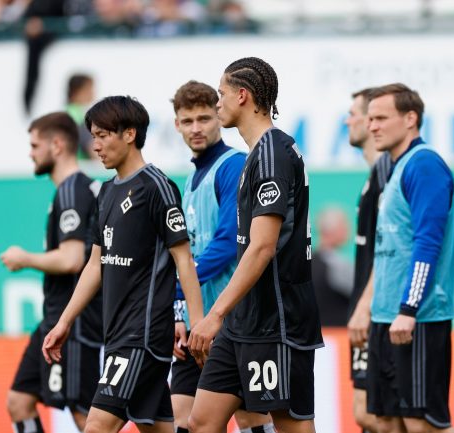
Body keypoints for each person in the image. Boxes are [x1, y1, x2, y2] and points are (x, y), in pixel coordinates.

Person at [41, 96, 204, 433]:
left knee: (96, 425)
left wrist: (197, 323)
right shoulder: (106, 193)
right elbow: (95, 265)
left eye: (102, 136)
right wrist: (64, 322)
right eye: (93, 136)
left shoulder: (157, 187)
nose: (95, 146)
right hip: (116, 335)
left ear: (129, 134)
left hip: (141, 336)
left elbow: (184, 261)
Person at [186, 57, 323, 433]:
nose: (217, 103)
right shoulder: (258, 154)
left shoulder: (271, 154)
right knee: (201, 422)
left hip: (276, 319)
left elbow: (262, 247)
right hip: (243, 319)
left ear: (242, 95)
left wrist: (214, 314)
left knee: (291, 426)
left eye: (221, 94)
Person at [169, 80, 274, 433]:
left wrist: (178, 287)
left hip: (233, 318)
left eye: (203, 118)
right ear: (176, 125)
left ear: (218, 116)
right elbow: (188, 252)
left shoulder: (233, 166)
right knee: (183, 416)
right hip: (198, 321)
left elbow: (228, 242)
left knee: (251, 418)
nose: (196, 128)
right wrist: (180, 310)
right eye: (187, 121)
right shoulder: (190, 179)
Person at [365, 83, 454, 433]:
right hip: (385, 316)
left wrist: (408, 308)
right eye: (370, 119)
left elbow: (428, 243)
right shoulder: (395, 167)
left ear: (410, 119)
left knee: (422, 425)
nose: (372, 126)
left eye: (381, 118)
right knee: (387, 422)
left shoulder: (424, 164)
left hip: (417, 317)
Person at [0, 112, 103, 433]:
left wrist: (24, 259)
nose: (30, 153)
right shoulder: (73, 189)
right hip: (54, 318)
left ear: (56, 145)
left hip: (74, 322)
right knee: (19, 400)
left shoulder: (72, 190)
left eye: (35, 145)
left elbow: (72, 259)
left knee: (85, 417)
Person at [345, 87, 391, 433]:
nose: (348, 121)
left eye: (354, 114)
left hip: (378, 311)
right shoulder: (374, 174)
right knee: (369, 415)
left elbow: (390, 247)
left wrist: (366, 304)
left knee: (374, 414)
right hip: (368, 309)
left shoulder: (387, 173)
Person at [311, 206, 353, 327]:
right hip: (340, 332)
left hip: (314, 332)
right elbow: (359, 293)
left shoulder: (305, 262)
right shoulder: (336, 265)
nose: (348, 230)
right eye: (344, 226)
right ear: (332, 231)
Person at [65, 73, 98, 161]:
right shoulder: (77, 116)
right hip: (81, 165)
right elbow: (91, 146)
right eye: (89, 89)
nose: (93, 93)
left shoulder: (64, 112)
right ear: (77, 91)